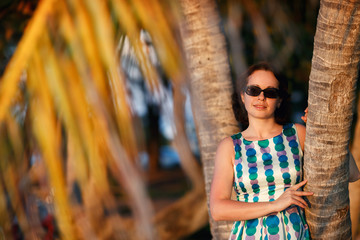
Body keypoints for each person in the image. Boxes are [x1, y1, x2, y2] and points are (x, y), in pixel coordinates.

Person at [209, 62, 360, 240]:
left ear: (279, 100)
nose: (261, 97)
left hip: (294, 234)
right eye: (253, 90)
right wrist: (275, 204)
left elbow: (352, 174)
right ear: (243, 96)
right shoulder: (230, 146)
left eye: (271, 92)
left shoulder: (297, 133)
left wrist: (325, 130)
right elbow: (218, 210)